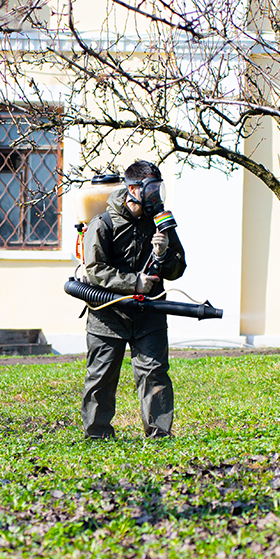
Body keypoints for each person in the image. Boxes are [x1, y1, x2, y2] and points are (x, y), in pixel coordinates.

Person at [81, 160, 186, 440]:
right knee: (101, 378)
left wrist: (164, 256)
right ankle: (97, 435)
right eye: (151, 188)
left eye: (158, 188)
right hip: (108, 316)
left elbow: (178, 269)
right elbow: (94, 271)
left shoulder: (161, 223)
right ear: (132, 189)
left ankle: (159, 435)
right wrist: (134, 283)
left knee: (155, 375)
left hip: (148, 314)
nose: (155, 195)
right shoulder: (103, 224)